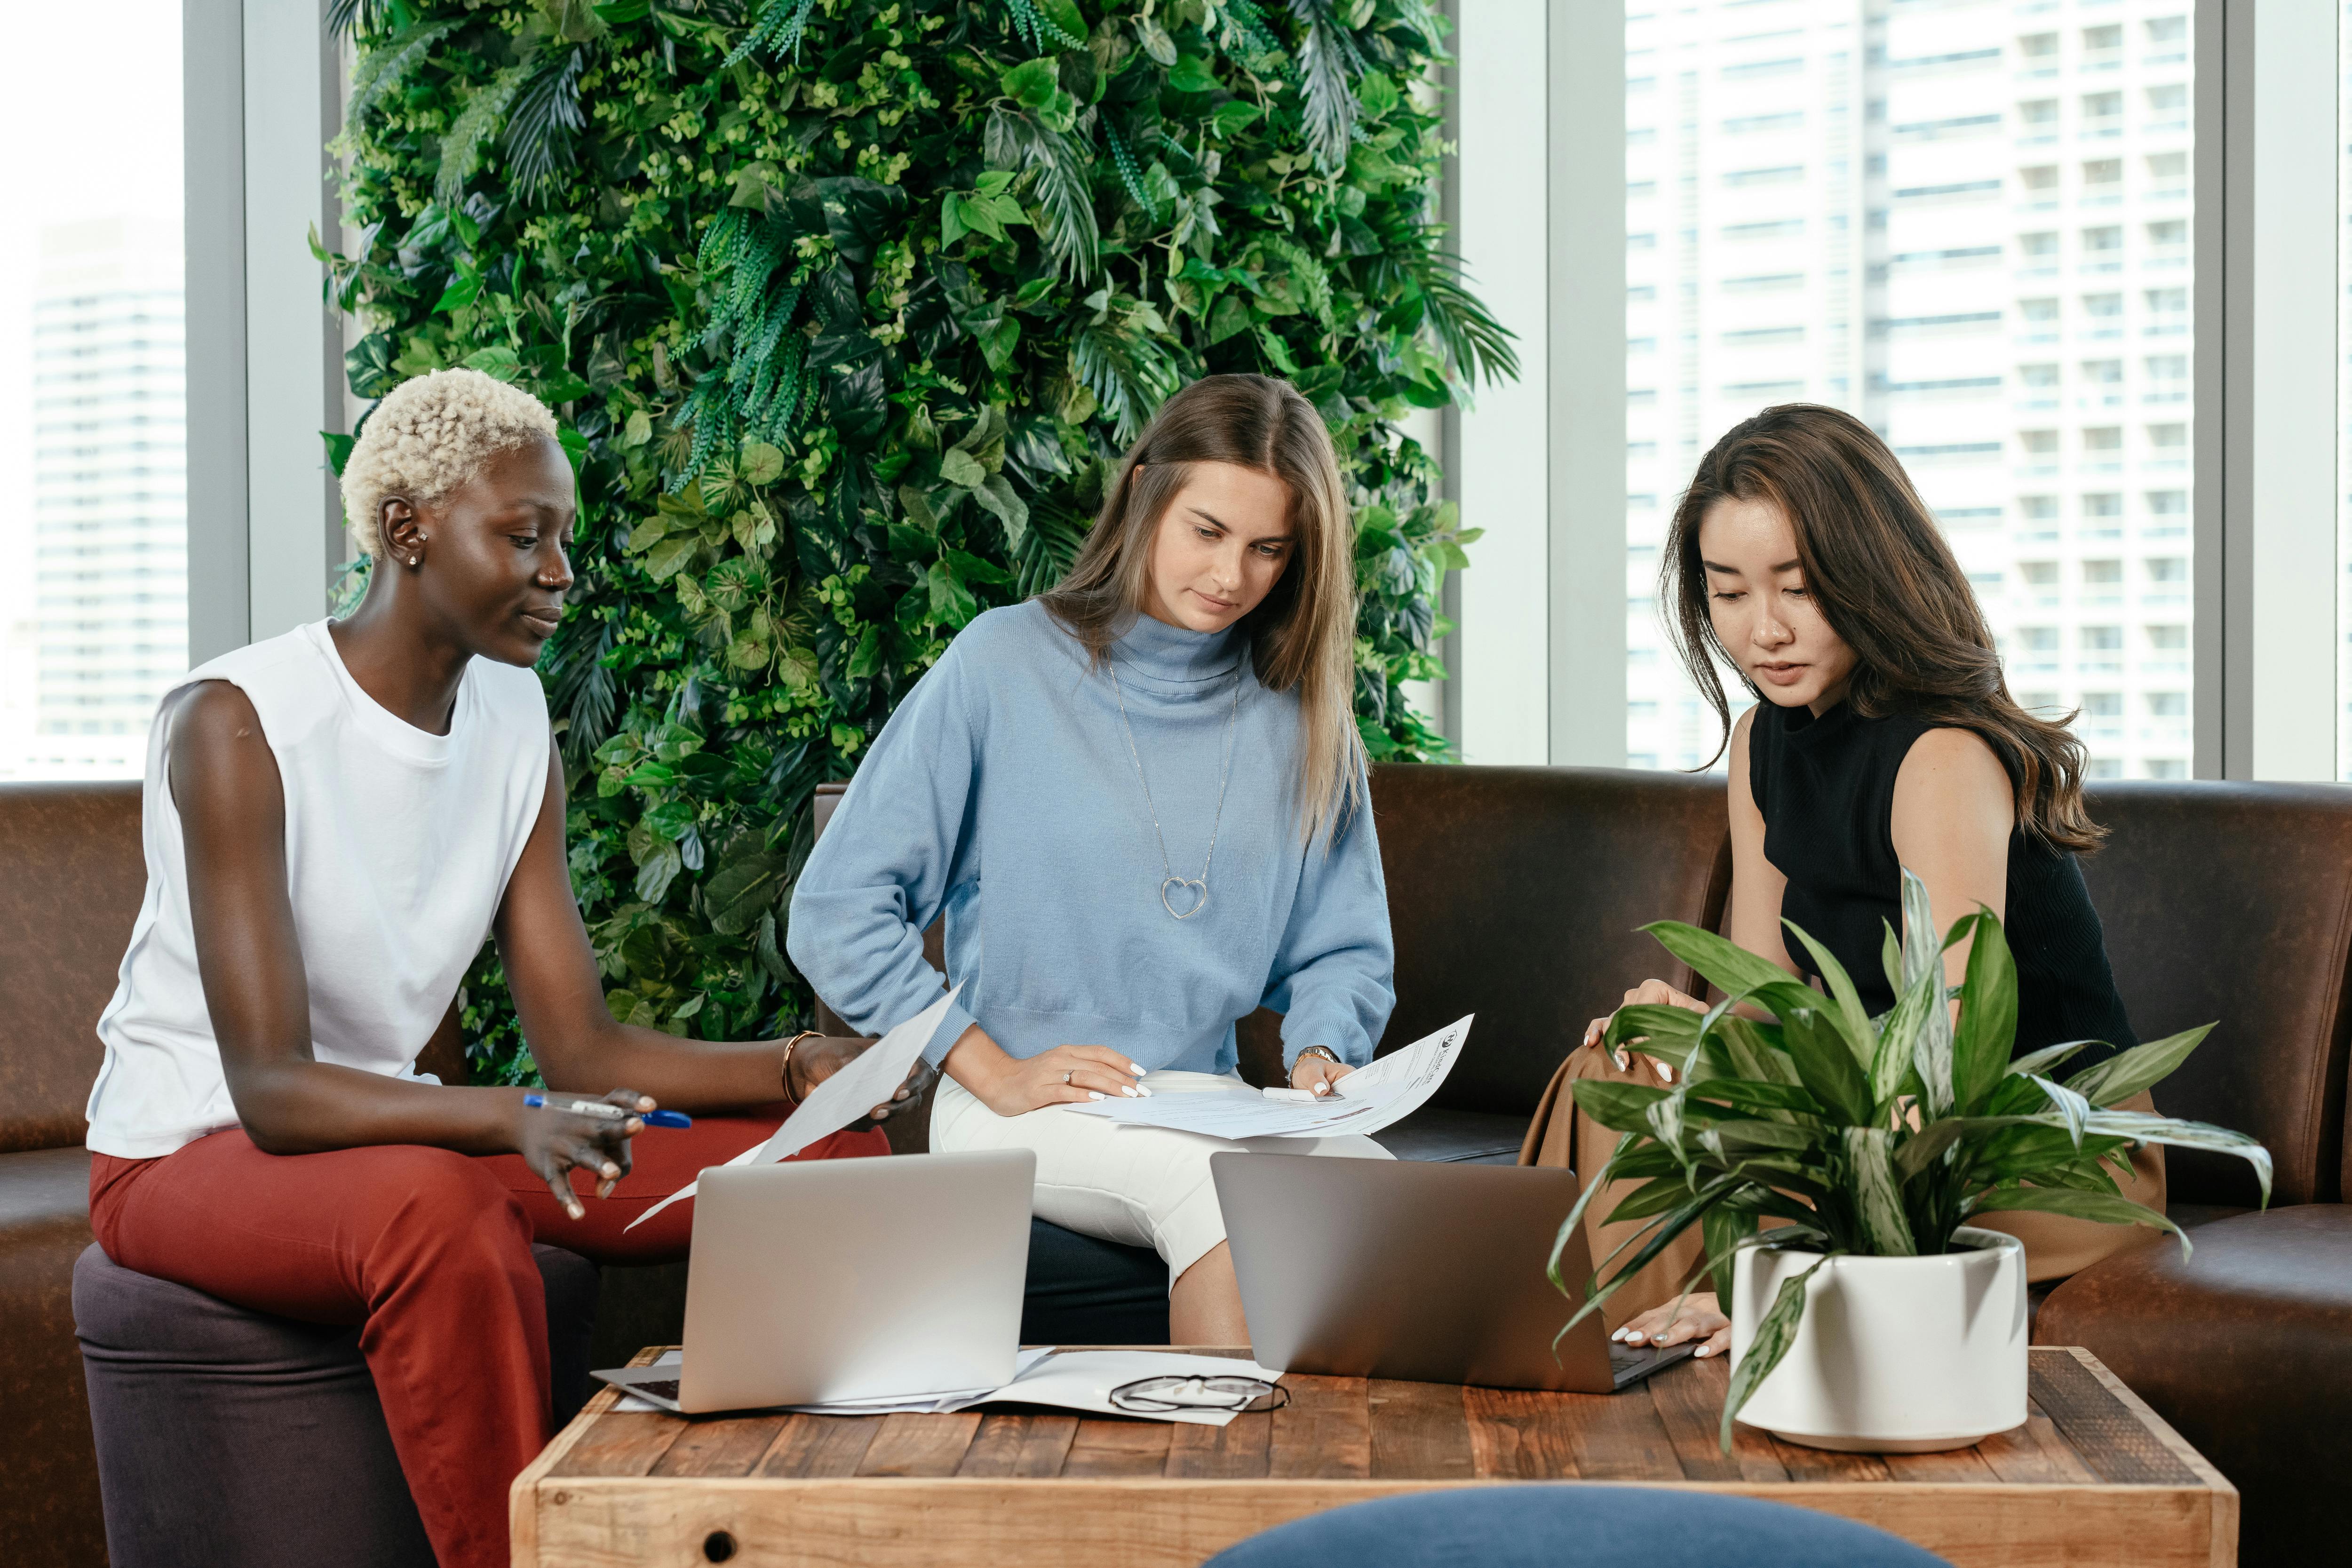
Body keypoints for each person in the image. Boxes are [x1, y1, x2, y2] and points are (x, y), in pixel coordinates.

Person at [82, 368, 913, 1568]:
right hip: (193, 1152)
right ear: (407, 529)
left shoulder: (515, 719)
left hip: (398, 1135)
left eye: (562, 537)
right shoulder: (239, 721)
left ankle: (809, 1526)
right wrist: (505, 1117)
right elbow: (267, 1084)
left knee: (831, 1161)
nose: (560, 571)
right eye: (523, 535)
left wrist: (801, 1070)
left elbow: (584, 1049)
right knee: (444, 1208)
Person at [1526, 403, 2164, 1359]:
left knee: (1764, 1180)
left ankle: (1686, 1375)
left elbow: (1942, 1058)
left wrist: (1795, 1261)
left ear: (1870, 576)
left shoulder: (1941, 756)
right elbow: (1770, 997)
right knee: (1612, 1073)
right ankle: (1610, 1373)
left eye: (1799, 587)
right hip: (1856, 1118)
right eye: (1729, 592)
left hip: (2027, 1147)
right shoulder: (1760, 744)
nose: (1763, 630)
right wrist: (1686, 1027)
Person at [789, 374, 1398, 1344]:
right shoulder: (1003, 664)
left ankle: (1346, 1496)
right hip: (1022, 1103)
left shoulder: (1304, 715)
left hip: (1206, 1099)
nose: (1231, 575)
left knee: (1374, 1193)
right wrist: (984, 1064)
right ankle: (1213, 1497)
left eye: (1267, 548)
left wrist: (1324, 1051)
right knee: (1233, 1200)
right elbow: (837, 905)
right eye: (1206, 530)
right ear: (1146, 490)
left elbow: (1340, 947)